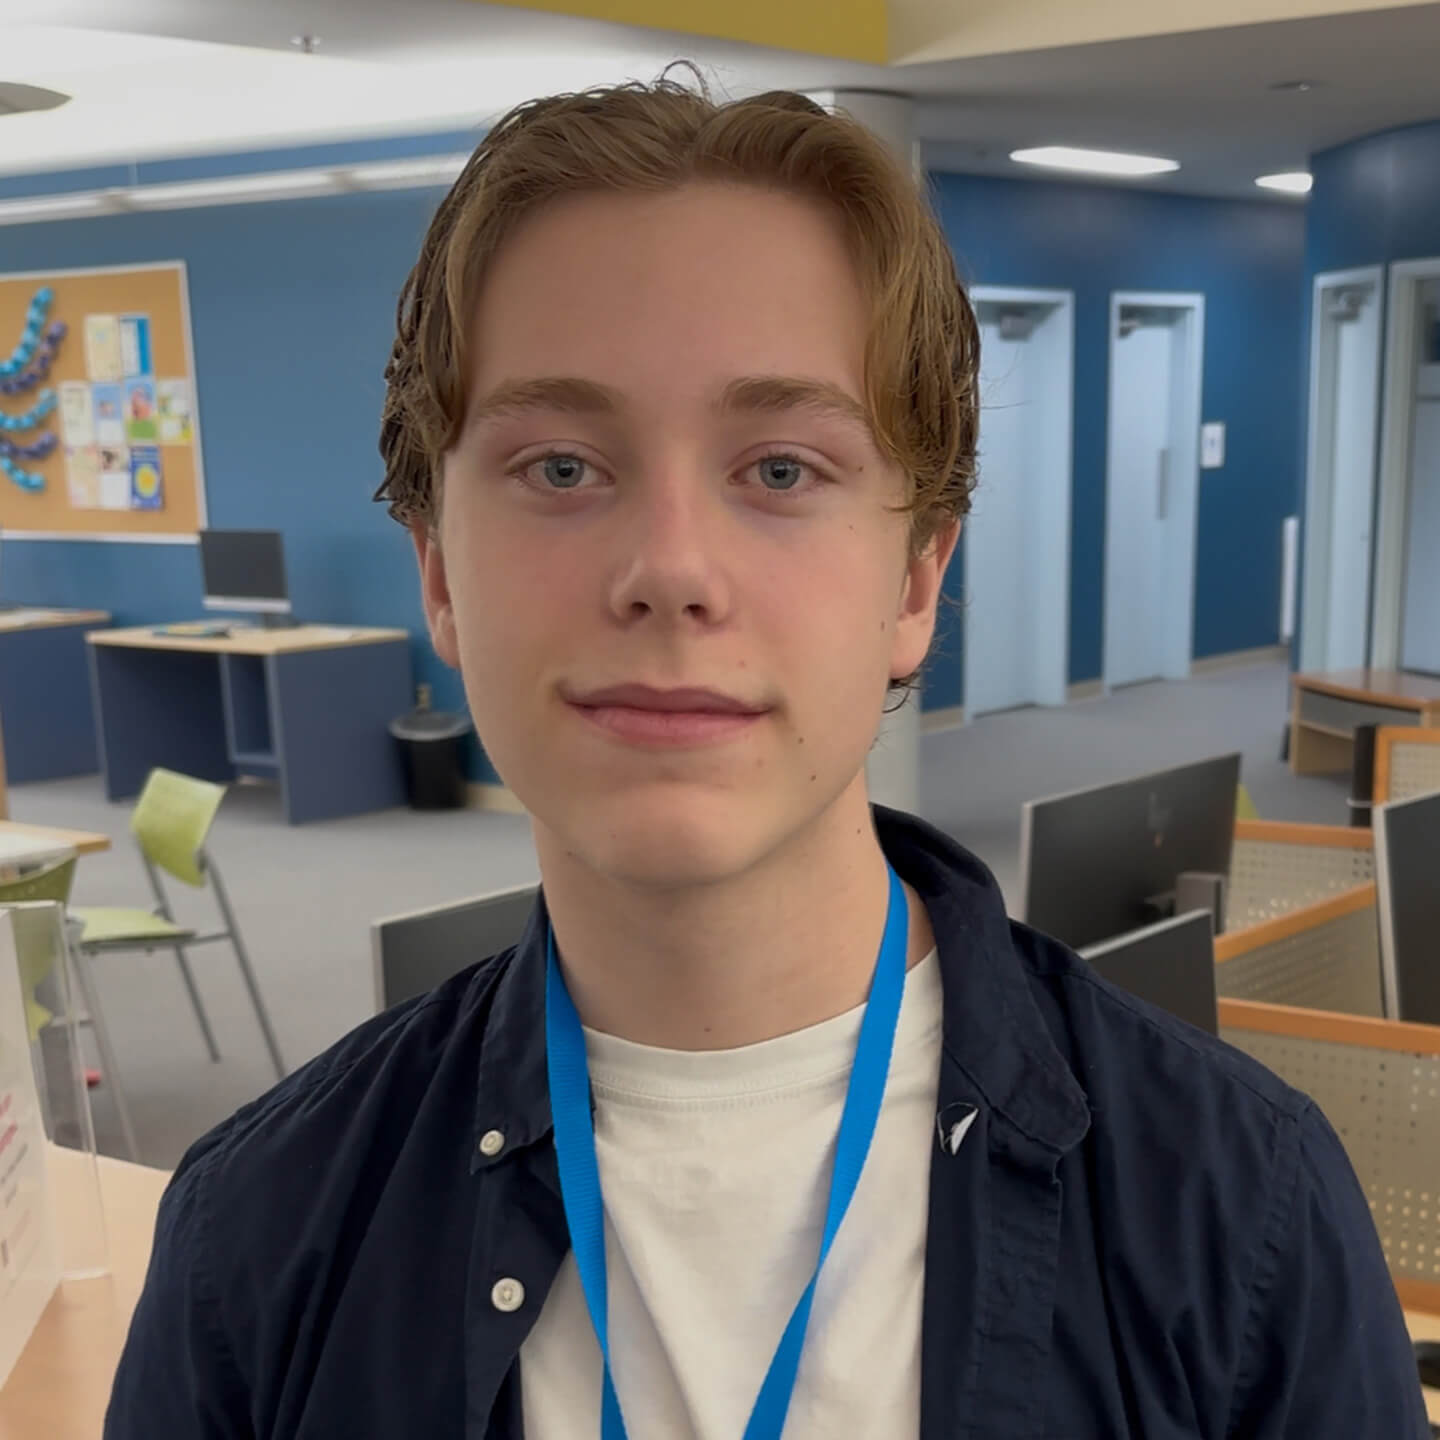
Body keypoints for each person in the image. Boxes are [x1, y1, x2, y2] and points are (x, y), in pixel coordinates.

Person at [105, 76, 1428, 1439]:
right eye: (562, 467)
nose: (670, 570)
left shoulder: (1241, 1214)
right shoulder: (256, 1244)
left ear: (916, 576)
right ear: (440, 576)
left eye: (782, 469)